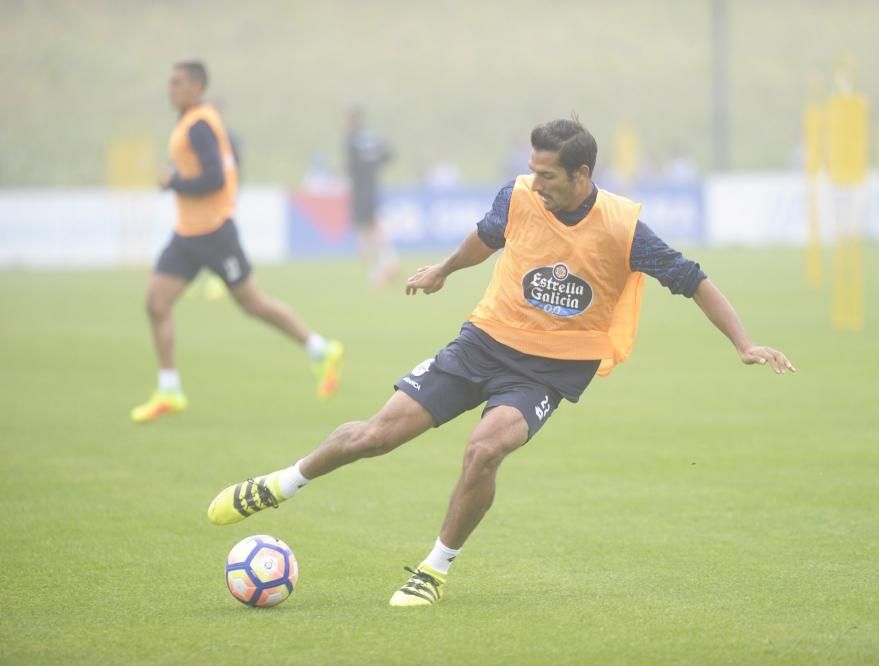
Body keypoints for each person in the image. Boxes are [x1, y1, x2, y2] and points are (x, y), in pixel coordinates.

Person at [206, 118, 795, 607]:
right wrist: (442, 269)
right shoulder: (517, 195)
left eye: (548, 175)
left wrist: (744, 343)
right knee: (376, 435)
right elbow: (487, 237)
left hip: (550, 369)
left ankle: (433, 569)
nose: (536, 183)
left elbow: (694, 281)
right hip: (483, 342)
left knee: (484, 448)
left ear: (582, 174)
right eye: (533, 170)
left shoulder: (624, 227)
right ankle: (282, 483)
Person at [130, 62, 344, 423]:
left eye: (178, 82)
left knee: (253, 304)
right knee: (156, 302)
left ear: (197, 87)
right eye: (169, 82)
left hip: (214, 233)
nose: (171, 89)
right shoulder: (196, 120)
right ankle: (169, 389)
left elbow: (213, 178)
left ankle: (320, 349)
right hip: (187, 234)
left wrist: (173, 182)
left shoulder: (199, 124)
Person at [345, 104, 399, 288]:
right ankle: (386, 264)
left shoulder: (352, 139)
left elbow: (350, 168)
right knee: (372, 229)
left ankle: (381, 269)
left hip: (361, 192)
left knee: (367, 234)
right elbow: (389, 155)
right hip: (372, 189)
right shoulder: (372, 139)